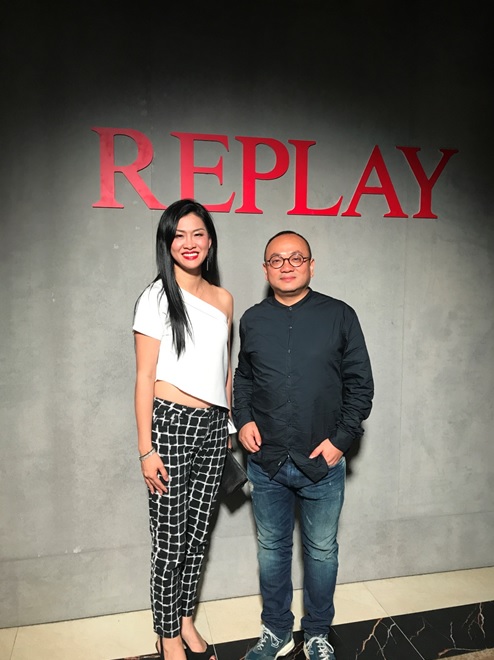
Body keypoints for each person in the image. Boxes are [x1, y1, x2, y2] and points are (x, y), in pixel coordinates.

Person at [233, 230, 374, 660]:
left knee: (321, 552)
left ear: (312, 265)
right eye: (277, 259)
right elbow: (244, 378)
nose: (287, 266)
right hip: (267, 463)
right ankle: (276, 631)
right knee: (272, 551)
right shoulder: (252, 320)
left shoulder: (340, 315)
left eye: (296, 258)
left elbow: (360, 386)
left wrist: (340, 442)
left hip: (322, 463)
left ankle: (316, 634)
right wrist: (243, 419)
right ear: (265, 270)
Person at [132, 199, 234, 660]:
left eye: (197, 233)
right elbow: (144, 377)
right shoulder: (156, 297)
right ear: (167, 243)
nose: (189, 243)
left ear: (210, 240)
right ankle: (167, 633)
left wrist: (227, 427)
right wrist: (146, 450)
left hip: (214, 427)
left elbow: (224, 370)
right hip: (170, 424)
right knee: (170, 540)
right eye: (179, 235)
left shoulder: (223, 299)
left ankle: (186, 618)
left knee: (198, 535)